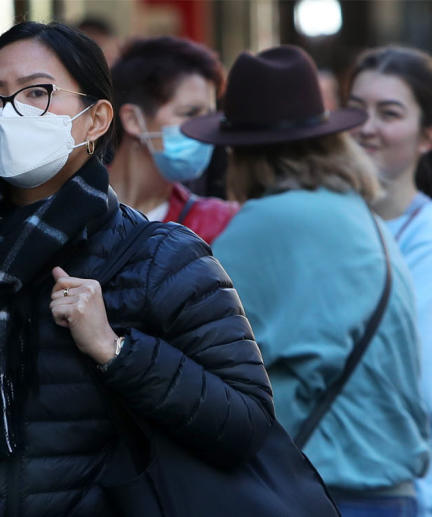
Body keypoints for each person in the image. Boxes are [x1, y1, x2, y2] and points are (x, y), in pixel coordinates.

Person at [0, 22, 276, 516]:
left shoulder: (161, 258)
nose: (10, 113)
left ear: (96, 119)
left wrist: (118, 352)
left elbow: (246, 424)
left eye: (37, 92)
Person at [184, 45, 429, 516]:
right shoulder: (354, 211)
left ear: (241, 152)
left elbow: (195, 346)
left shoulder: (271, 221)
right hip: (385, 493)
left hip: (321, 491)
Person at [346, 45, 432, 516]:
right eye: (356, 109)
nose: (367, 127)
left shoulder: (427, 237)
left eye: (390, 112)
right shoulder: (321, 225)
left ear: (426, 136)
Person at [106, 36, 237, 244]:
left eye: (208, 116)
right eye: (190, 113)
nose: (204, 129)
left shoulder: (220, 223)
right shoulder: (73, 207)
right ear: (133, 120)